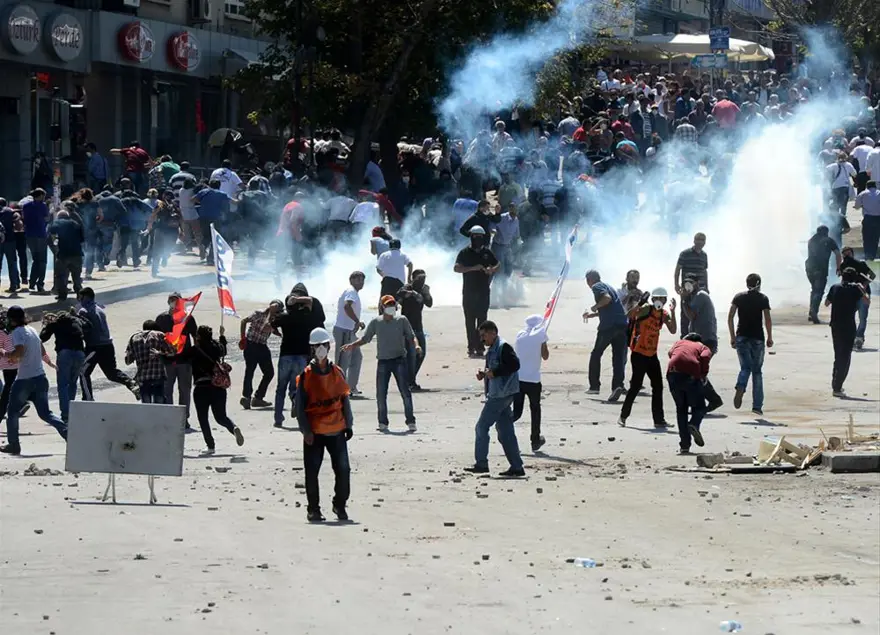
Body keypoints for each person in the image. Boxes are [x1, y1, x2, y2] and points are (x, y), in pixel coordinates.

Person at [295, 327, 354, 523]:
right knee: (312, 473)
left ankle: (340, 504)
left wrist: (349, 424)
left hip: (337, 430)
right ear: (312, 348)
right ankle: (313, 509)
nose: (321, 348)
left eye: (323, 345)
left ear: (329, 346)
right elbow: (299, 407)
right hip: (315, 432)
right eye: (317, 346)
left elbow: (345, 399)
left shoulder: (337, 372)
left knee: (343, 471)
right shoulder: (306, 376)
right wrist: (306, 431)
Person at [341, 295, 420, 433]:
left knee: (405, 392)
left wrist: (417, 346)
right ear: (382, 307)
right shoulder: (376, 322)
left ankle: (411, 421)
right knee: (381, 394)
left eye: (393, 305)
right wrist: (352, 345)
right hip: (383, 361)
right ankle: (383, 422)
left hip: (399, 360)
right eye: (388, 305)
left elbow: (411, 336)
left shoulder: (402, 320)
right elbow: (365, 339)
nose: (391, 307)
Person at [0, 306, 67, 455]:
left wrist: (4, 353)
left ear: (12, 320)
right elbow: (41, 350)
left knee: (12, 412)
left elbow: (18, 353)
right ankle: (68, 433)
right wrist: (49, 363)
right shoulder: (32, 330)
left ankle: (14, 445)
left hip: (25, 379)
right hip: (40, 378)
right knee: (46, 413)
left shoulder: (17, 333)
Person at [464, 321, 525, 477]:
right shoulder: (492, 350)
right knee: (505, 432)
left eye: (484, 335)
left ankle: (481, 464)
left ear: (493, 333)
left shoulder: (504, 347)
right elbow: (493, 370)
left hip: (500, 396)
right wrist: (484, 374)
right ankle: (517, 467)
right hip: (501, 394)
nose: (482, 339)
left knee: (481, 427)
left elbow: (515, 364)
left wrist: (495, 373)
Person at [618, 287, 677, 428]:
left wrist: (673, 312)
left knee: (658, 386)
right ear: (653, 299)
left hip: (652, 355)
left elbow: (673, 330)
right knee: (636, 386)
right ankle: (623, 416)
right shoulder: (646, 309)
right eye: (657, 298)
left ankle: (659, 420)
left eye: (662, 299)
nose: (660, 301)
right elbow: (629, 315)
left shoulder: (663, 314)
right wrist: (640, 303)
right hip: (639, 354)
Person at [271, 283, 326, 428]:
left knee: (281, 388)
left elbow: (269, 324)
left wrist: (275, 328)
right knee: (297, 386)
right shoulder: (308, 315)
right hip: (302, 356)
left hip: (285, 355)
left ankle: (278, 418)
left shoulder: (284, 317)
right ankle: (295, 401)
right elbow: (313, 303)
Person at [76, 287, 140, 401]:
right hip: (108, 346)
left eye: (80, 298)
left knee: (82, 371)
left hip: (95, 347)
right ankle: (131, 383)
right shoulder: (100, 309)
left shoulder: (83, 311)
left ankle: (88, 399)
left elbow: (83, 328)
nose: (79, 300)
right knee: (111, 373)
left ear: (86, 297)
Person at [189, 325, 244, 455]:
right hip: (218, 386)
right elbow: (223, 349)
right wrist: (222, 335)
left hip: (201, 387)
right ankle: (233, 427)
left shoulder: (194, 350)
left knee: (203, 418)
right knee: (221, 417)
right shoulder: (217, 347)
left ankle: (210, 446)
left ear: (198, 336)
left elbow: (179, 358)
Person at [728, 273, 773, 415]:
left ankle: (741, 386)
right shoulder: (763, 299)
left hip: (741, 337)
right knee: (757, 371)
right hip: (757, 338)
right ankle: (757, 406)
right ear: (758, 284)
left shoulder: (738, 297)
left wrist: (732, 337)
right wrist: (770, 337)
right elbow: (767, 319)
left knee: (745, 367)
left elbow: (730, 317)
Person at [454, 226, 499, 357]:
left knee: (482, 320)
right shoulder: (464, 252)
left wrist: (491, 269)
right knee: (469, 320)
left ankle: (480, 346)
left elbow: (497, 264)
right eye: (475, 236)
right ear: (471, 237)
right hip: (469, 292)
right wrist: (473, 268)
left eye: (480, 237)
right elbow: (456, 268)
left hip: (483, 291)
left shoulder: (487, 252)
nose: (477, 239)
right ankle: (471, 346)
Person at [583, 269, 628, 402]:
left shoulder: (597, 286)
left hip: (609, 326)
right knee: (618, 358)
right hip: (621, 325)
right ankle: (617, 386)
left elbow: (607, 299)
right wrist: (593, 315)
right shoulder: (609, 286)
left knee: (596, 354)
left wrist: (595, 306)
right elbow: (611, 307)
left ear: (589, 280)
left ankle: (594, 386)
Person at [825, 268, 871, 398]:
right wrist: (861, 288)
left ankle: (835, 383)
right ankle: (837, 386)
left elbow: (826, 303)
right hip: (848, 327)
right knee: (845, 357)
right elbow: (867, 301)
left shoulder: (835, 287)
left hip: (835, 325)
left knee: (838, 355)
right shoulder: (855, 289)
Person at [666, 333, 713, 455]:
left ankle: (684, 446)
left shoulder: (678, 343)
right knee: (700, 407)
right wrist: (703, 374)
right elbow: (705, 356)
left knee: (681, 409)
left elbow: (670, 353)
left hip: (672, 374)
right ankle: (694, 424)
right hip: (690, 374)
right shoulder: (702, 346)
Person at [155, 292, 197, 426]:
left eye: (176, 300)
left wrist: (195, 356)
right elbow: (156, 338)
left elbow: (195, 337)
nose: (174, 302)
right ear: (168, 302)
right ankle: (170, 417)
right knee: (167, 390)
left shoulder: (188, 318)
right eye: (172, 300)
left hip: (184, 361)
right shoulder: (161, 318)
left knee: (184, 390)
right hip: (166, 361)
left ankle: (183, 418)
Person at [39, 310, 88, 422]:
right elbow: (89, 326)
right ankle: (70, 411)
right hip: (80, 353)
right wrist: (78, 315)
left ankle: (66, 414)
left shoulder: (56, 323)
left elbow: (42, 337)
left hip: (64, 353)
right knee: (73, 383)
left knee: (63, 385)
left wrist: (48, 325)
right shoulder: (76, 320)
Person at [513, 315, 549, 453]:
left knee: (517, 411)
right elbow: (545, 356)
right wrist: (543, 341)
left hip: (519, 378)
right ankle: (535, 440)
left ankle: (503, 427)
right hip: (533, 380)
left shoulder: (520, 334)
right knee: (535, 410)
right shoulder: (540, 336)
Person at [239, 300, 283, 410]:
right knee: (250, 371)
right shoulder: (259, 313)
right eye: (278, 311)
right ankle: (247, 397)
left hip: (262, 345)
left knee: (269, 372)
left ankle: (258, 397)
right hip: (251, 344)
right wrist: (243, 338)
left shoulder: (274, 319)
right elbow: (244, 321)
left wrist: (279, 334)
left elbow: (271, 329)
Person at [397, 269, 433, 390]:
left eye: (424, 278)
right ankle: (410, 382)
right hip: (407, 327)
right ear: (413, 278)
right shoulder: (407, 287)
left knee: (421, 354)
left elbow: (429, 303)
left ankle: (409, 379)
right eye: (419, 278)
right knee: (411, 356)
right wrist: (411, 293)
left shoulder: (424, 289)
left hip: (418, 326)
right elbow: (399, 295)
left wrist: (425, 294)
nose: (422, 281)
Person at [124, 320, 176, 403]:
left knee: (146, 405)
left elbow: (127, 361)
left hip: (143, 377)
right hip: (157, 375)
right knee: (159, 403)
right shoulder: (159, 335)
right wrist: (161, 353)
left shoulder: (133, 338)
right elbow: (172, 351)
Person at [333, 272, 366, 397]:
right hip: (343, 330)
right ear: (351, 280)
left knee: (357, 357)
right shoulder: (351, 291)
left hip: (349, 331)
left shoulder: (354, 293)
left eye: (362, 280)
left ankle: (351, 387)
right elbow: (347, 307)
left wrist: (355, 324)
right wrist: (357, 321)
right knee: (342, 361)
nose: (361, 282)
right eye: (358, 280)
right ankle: (339, 389)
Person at [839, 245, 875, 349]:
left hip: (863, 294)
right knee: (849, 318)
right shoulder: (842, 266)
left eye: (848, 253)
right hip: (850, 295)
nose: (847, 255)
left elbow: (872, 275)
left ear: (852, 254)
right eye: (845, 254)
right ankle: (853, 337)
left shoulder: (861, 264)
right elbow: (843, 280)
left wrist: (865, 284)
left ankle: (859, 337)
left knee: (862, 318)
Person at [805, 225, 842, 324]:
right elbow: (838, 254)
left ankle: (811, 312)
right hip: (820, 269)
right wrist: (839, 268)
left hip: (809, 268)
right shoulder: (829, 240)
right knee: (819, 291)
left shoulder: (811, 240)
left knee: (814, 289)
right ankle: (814, 312)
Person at [673, 232, 708, 335]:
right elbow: (678, 269)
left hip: (700, 289)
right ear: (694, 241)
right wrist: (676, 285)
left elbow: (704, 271)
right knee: (685, 312)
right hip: (687, 288)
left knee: (700, 313)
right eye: (698, 239)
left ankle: (697, 335)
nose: (700, 242)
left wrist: (707, 286)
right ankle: (684, 336)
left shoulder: (704, 255)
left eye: (702, 240)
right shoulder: (685, 254)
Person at [47, 210, 85, 301]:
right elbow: (82, 239)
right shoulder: (76, 224)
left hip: (63, 254)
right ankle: (79, 294)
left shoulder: (56, 223)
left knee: (61, 276)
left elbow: (51, 235)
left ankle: (62, 295)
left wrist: (55, 245)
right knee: (76, 276)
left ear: (58, 217)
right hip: (77, 254)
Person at [21, 188, 50, 294]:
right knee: (42, 261)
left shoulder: (26, 206)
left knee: (35, 259)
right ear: (40, 196)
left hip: (29, 235)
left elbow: (24, 219)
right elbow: (47, 218)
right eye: (43, 196)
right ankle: (40, 284)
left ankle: (32, 282)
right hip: (40, 234)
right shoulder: (43, 206)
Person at [854, 180, 880, 260]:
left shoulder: (863, 193)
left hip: (868, 218)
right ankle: (873, 255)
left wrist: (862, 205)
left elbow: (857, 206)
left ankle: (867, 255)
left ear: (867, 186)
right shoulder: (879, 193)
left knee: (866, 238)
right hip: (878, 218)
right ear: (875, 186)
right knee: (875, 238)